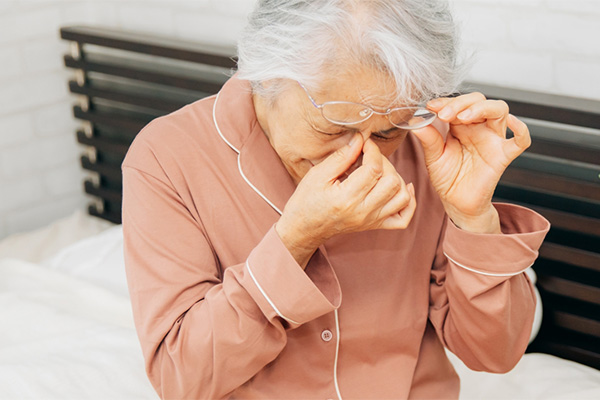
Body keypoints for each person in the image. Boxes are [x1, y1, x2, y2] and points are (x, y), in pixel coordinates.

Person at [122, 0, 550, 398]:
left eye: (387, 133)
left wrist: (473, 218)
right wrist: (294, 241)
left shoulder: (429, 146)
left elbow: (495, 354)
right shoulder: (167, 155)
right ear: (266, 73)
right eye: (333, 126)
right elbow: (180, 376)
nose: (363, 158)